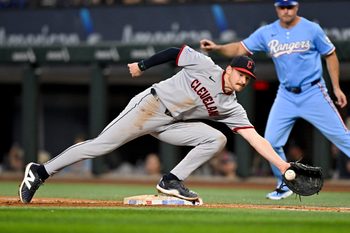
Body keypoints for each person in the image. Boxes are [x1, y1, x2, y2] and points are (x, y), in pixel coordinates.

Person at [19, 45, 291, 204]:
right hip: (150, 106)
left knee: (216, 139)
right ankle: (40, 171)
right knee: (101, 146)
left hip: (171, 123)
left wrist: (283, 166)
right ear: (230, 69)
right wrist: (142, 64)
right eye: (241, 74)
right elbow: (175, 52)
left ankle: (171, 180)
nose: (244, 81)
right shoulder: (206, 66)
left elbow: (255, 138)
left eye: (248, 79)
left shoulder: (231, 107)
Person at [200, 0, 350, 200]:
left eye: (290, 6)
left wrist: (337, 87)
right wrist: (217, 47)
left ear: (297, 7)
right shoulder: (267, 32)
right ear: (276, 8)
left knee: (342, 137)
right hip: (286, 94)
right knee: (270, 141)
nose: (286, 10)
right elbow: (239, 49)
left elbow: (330, 55)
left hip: (313, 91)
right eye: (282, 6)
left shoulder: (311, 29)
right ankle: (284, 183)